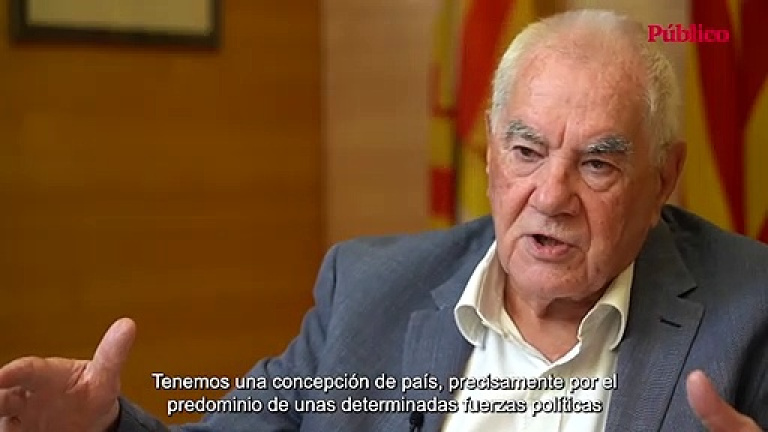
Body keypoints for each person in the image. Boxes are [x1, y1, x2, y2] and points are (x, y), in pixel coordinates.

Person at [1, 8, 766, 432]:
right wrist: (103, 429)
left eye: (597, 164)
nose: (551, 195)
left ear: (664, 178)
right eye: (527, 150)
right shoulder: (369, 290)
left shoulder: (752, 312)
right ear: (489, 153)